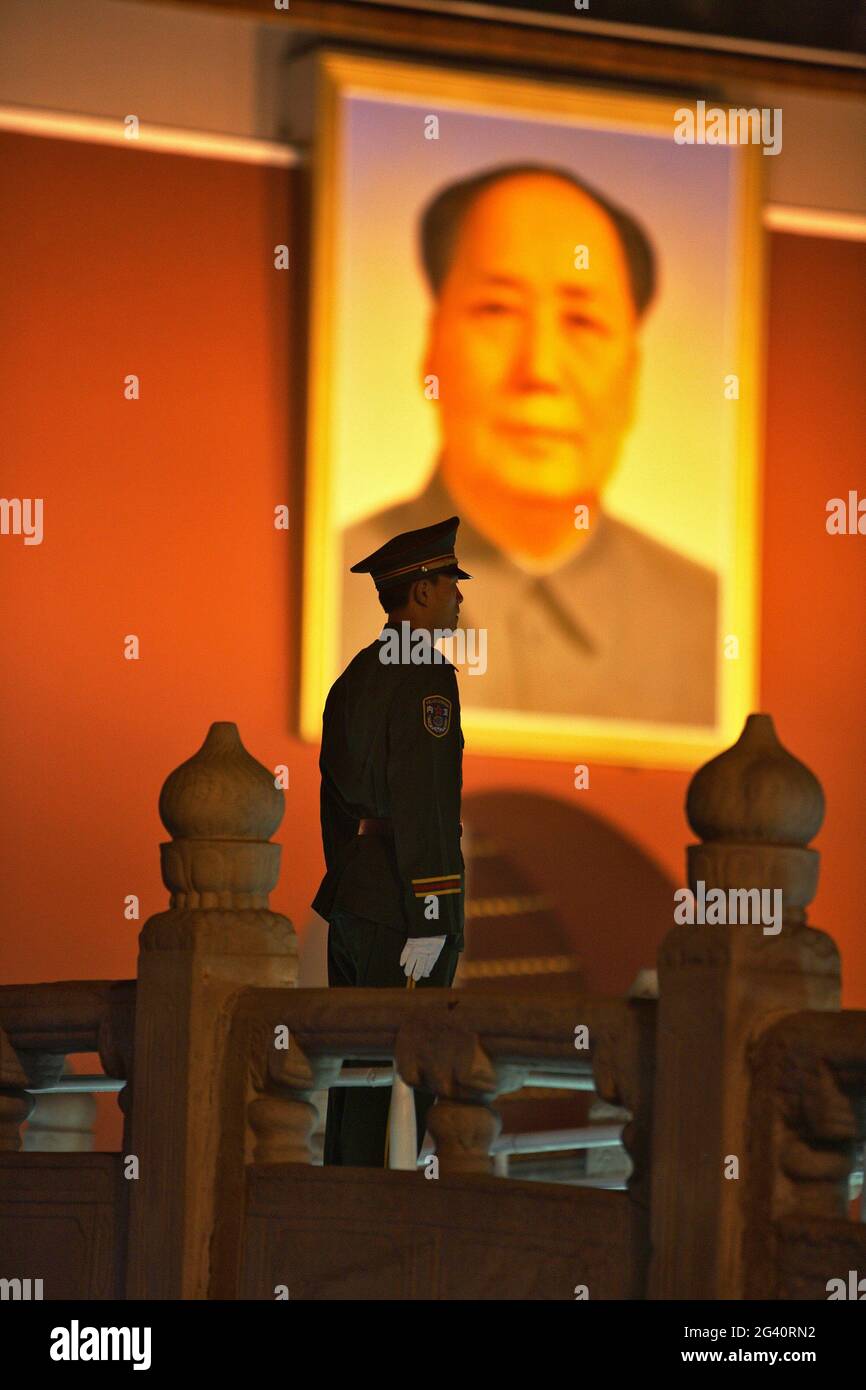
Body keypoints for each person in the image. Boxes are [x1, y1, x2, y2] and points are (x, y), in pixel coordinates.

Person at [342, 163, 718, 726]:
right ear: (432, 346)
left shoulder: (710, 621)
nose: (539, 368)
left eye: (583, 322)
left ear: (633, 376)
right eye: (498, 310)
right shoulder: (336, 590)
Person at [313, 516, 469, 1166]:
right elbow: (424, 802)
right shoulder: (426, 677)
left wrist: (353, 881)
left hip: (356, 895)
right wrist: (431, 911)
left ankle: (340, 1210)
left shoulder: (355, 676)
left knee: (358, 1073)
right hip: (406, 906)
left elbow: (331, 803)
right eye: (452, 584)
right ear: (424, 591)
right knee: (409, 1069)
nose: (461, 597)